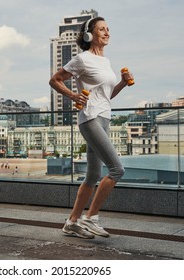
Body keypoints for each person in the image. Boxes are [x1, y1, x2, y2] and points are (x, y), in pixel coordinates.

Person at [49, 16, 133, 239]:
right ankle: (91, 217)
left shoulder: (105, 62)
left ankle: (72, 223)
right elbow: (55, 80)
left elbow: (106, 96)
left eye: (108, 29)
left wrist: (122, 83)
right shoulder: (82, 59)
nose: (107, 33)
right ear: (90, 35)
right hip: (90, 118)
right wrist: (72, 95)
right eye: (101, 29)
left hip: (104, 116)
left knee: (93, 174)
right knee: (117, 169)